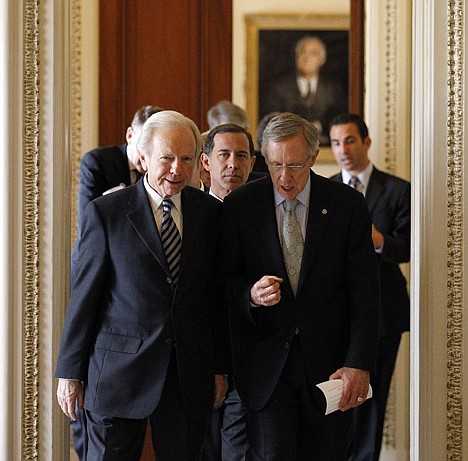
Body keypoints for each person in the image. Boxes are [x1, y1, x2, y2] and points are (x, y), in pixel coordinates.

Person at [56, 110, 230, 461]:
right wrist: (69, 373)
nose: (177, 170)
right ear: (143, 157)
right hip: (117, 374)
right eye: (167, 158)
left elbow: (216, 298)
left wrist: (219, 367)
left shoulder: (210, 214)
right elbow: (84, 298)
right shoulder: (106, 213)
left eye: (186, 159)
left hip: (186, 374)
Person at [221, 112, 380, 460]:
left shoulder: (346, 205)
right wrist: (249, 295)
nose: (284, 177)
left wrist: (359, 363)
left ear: (311, 158)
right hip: (266, 369)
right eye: (275, 164)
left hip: (331, 369)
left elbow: (366, 293)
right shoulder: (240, 206)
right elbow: (223, 282)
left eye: (294, 165)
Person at [329, 113, 411, 461]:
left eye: (349, 140)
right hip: (335, 313)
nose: (343, 149)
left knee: (372, 401)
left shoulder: (397, 190)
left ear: (366, 142)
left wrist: (379, 241)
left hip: (384, 315)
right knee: (338, 398)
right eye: (335, 142)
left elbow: (409, 248)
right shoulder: (326, 189)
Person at [200, 123, 256, 461]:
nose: (233, 164)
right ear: (206, 162)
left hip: (251, 361)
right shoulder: (189, 214)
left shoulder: (267, 214)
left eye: (241, 155)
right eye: (224, 155)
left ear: (253, 162)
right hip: (200, 359)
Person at [77, 105, 164, 234]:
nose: (146, 155)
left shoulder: (163, 171)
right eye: (143, 145)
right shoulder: (97, 162)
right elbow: (88, 219)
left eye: (154, 147)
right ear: (129, 135)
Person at [263, 35, 346, 145]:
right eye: (303, 52)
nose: (307, 57)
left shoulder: (333, 90)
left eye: (313, 53)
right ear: (296, 57)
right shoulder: (279, 89)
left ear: (322, 60)